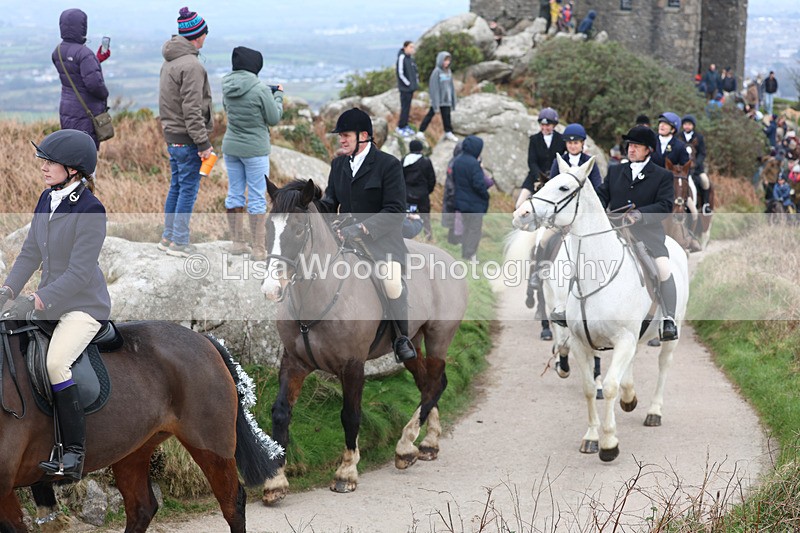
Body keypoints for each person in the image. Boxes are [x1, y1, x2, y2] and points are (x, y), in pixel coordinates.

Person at [0, 129, 111, 481]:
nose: (43, 167)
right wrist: (7, 291)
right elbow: (30, 252)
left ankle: (73, 453)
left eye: (51, 163)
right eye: (43, 161)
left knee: (56, 363)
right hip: (50, 300)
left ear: (74, 170)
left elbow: (79, 273)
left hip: (83, 305)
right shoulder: (46, 199)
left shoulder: (91, 210)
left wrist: (35, 299)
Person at [320, 108, 416, 362]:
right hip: (345, 241)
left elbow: (395, 210)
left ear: (364, 136)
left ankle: (401, 338)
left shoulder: (388, 165)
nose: (341, 140)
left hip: (382, 242)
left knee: (391, 282)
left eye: (346, 135)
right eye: (340, 136)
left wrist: (362, 228)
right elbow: (330, 202)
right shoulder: (338, 164)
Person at [593, 126, 678, 341]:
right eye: (630, 145)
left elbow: (666, 205)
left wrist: (641, 214)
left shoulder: (662, 176)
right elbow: (602, 195)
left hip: (647, 235)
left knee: (664, 269)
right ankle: (570, 308)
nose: (631, 149)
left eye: (636, 146)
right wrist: (598, 207)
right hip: (614, 231)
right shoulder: (615, 171)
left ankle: (669, 318)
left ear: (648, 150)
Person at [157, 7, 213, 258]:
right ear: (197, 36)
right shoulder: (191, 65)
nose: (204, 39)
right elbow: (192, 109)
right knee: (187, 189)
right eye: (204, 34)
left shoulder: (170, 62)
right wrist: (203, 143)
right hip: (188, 139)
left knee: (177, 187)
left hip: (172, 136)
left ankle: (168, 237)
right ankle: (179, 241)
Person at [221, 46, 284, 261]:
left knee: (235, 193)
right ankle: (258, 248)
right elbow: (274, 118)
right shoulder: (260, 89)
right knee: (257, 197)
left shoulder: (227, 85)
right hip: (255, 149)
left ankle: (237, 243)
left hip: (231, 147)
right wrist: (278, 97)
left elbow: (227, 111)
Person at [52, 9, 110, 149]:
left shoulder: (58, 51)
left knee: (72, 151)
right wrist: (105, 94)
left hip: (67, 110)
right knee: (87, 154)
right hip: (86, 113)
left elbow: (74, 73)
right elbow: (95, 85)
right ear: (82, 26)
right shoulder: (85, 54)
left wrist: (96, 60)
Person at [516, 107, 566, 209]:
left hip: (554, 177)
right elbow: (532, 162)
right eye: (542, 125)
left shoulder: (561, 139)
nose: (544, 128)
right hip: (536, 176)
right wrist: (539, 178)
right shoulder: (534, 139)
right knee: (519, 204)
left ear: (554, 125)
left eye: (547, 125)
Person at [452, 135, 489, 261]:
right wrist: (485, 195)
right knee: (474, 230)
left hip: (461, 201)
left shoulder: (457, 161)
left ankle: (464, 253)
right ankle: (470, 254)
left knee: (466, 228)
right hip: (475, 203)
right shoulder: (474, 164)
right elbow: (479, 184)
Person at [417, 51, 458, 142]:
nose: (446, 63)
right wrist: (435, 102)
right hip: (438, 100)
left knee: (447, 116)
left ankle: (448, 132)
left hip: (447, 100)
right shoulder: (436, 72)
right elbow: (433, 87)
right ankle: (421, 131)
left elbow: (451, 86)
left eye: (448, 60)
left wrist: (453, 99)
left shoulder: (448, 72)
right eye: (445, 60)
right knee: (430, 114)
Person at [401, 140, 436, 241]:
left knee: (406, 216)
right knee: (425, 217)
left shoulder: (404, 160)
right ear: (421, 149)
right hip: (422, 195)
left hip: (407, 194)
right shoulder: (426, 161)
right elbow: (432, 179)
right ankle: (428, 237)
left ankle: (407, 237)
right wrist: (427, 191)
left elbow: (399, 178)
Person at [678, 114, 711, 211]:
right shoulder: (678, 136)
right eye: (685, 124)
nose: (687, 126)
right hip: (681, 168)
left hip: (696, 168)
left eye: (689, 124)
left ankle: (706, 204)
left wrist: (696, 164)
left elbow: (702, 153)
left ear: (693, 126)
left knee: (705, 181)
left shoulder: (699, 137)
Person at [395, 41, 419, 137]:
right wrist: (408, 84)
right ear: (405, 47)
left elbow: (415, 72)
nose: (412, 49)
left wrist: (415, 83)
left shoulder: (411, 59)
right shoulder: (402, 57)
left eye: (413, 47)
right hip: (405, 89)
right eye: (410, 47)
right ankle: (400, 126)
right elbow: (400, 73)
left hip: (411, 89)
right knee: (404, 107)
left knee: (408, 107)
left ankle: (405, 125)